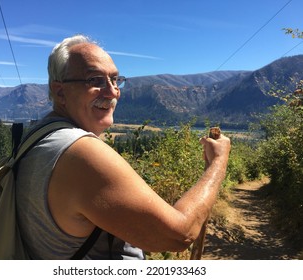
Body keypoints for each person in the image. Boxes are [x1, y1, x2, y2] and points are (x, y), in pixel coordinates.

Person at [16, 34, 231, 260]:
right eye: (95, 80)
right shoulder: (80, 152)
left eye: (115, 80)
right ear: (60, 91)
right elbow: (180, 235)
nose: (112, 92)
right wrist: (217, 163)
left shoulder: (37, 135)